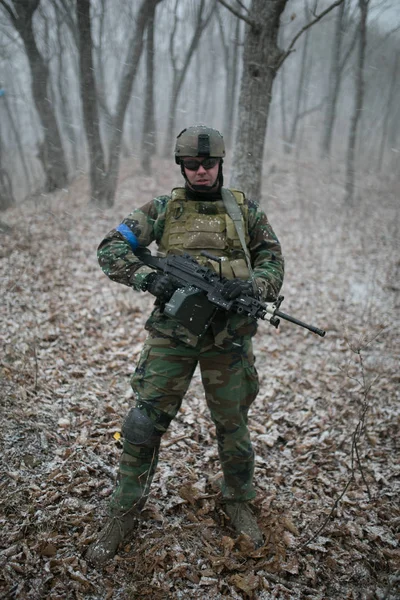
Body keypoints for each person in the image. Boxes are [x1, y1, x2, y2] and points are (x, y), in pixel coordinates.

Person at [86, 125, 284, 565]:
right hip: (172, 337)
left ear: (220, 164)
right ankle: (125, 509)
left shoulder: (243, 210)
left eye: (208, 164)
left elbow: (272, 258)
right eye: (192, 164)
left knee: (233, 426)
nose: (200, 172)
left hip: (228, 338)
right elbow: (111, 247)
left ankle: (237, 499)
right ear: (181, 166)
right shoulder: (162, 209)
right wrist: (148, 277)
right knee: (143, 422)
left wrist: (254, 287)